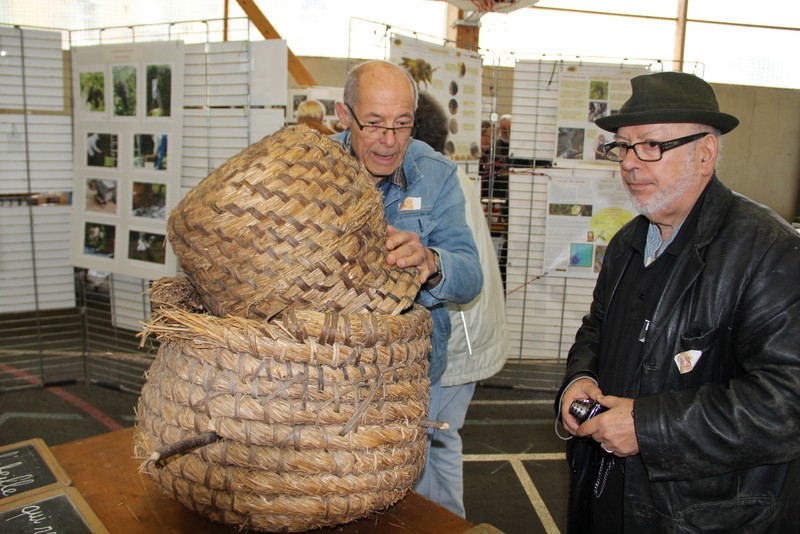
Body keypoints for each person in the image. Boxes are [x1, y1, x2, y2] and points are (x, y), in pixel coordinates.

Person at [554, 71, 800, 533]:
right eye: (623, 147)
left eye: (650, 146)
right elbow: (597, 328)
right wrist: (579, 378)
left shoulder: (770, 252)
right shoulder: (629, 241)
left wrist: (648, 428)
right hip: (607, 493)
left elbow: (787, 401)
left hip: (699, 513)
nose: (629, 163)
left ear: (705, 153)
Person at [331, 60, 483, 511]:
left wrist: (432, 263)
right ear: (344, 115)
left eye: (402, 124)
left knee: (406, 495)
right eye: (374, 124)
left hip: (411, 376)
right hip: (327, 374)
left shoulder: (434, 174)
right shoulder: (310, 169)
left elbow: (470, 275)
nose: (389, 140)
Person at [412, 92, 510, 517]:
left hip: (457, 342)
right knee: (439, 443)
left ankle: (447, 522)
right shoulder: (445, 176)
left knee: (431, 445)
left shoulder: (437, 180)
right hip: (466, 337)